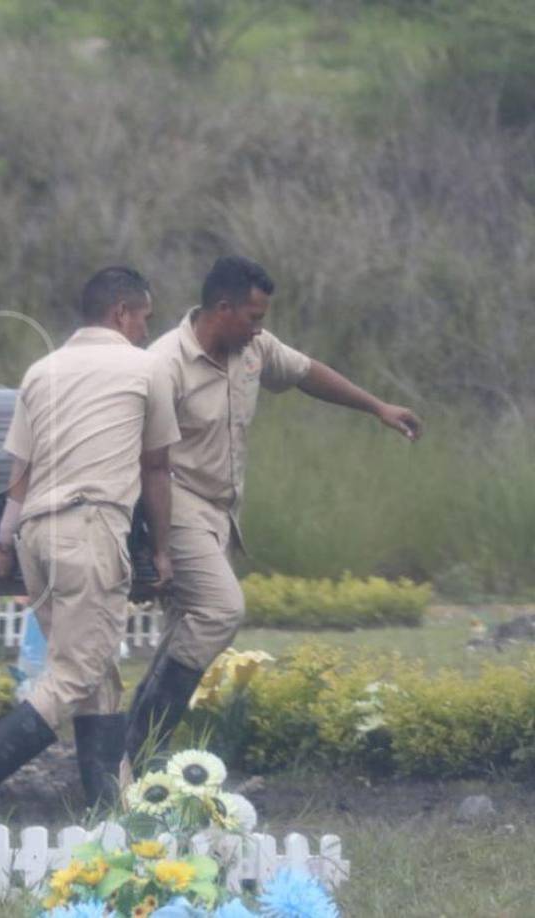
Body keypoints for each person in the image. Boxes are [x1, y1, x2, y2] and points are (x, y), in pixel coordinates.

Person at [121, 255, 424, 773]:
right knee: (221, 610)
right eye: (253, 317)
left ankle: (127, 758)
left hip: (222, 511)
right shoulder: (164, 363)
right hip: (175, 501)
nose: (261, 328)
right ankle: (141, 751)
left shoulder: (253, 349)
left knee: (184, 631)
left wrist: (378, 407)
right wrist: (151, 545)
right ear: (222, 308)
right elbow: (140, 458)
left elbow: (306, 373)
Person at [0, 266, 180, 815]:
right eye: (144, 317)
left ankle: (105, 802)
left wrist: (2, 545)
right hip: (90, 530)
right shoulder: (147, 369)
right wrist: (162, 550)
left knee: (93, 667)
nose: (147, 329)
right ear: (122, 312)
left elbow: (19, 474)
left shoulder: (40, 370)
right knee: (77, 671)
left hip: (36, 539)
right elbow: (157, 468)